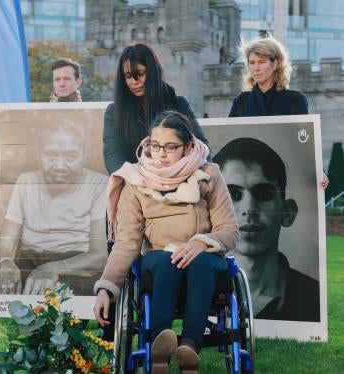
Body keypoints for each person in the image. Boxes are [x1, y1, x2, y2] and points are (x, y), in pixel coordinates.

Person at [94, 111, 238, 374]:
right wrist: (106, 287)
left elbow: (229, 230)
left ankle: (189, 348)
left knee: (202, 261)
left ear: (189, 147)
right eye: (155, 146)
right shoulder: (135, 182)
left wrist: (202, 242)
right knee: (166, 260)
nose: (161, 153)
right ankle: (161, 342)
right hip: (160, 258)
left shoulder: (209, 175)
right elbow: (126, 243)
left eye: (171, 147)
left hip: (204, 258)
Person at [0, 117, 108, 296]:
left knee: (56, 295)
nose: (60, 166)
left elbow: (100, 255)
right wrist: (6, 263)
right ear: (39, 154)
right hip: (29, 260)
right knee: (5, 286)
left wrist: (52, 268)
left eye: (71, 156)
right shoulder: (26, 181)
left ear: (85, 155)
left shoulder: (99, 185)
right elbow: (5, 243)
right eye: (50, 155)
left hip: (76, 262)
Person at [213, 137, 320, 322]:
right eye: (233, 195)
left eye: (263, 194)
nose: (249, 209)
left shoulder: (313, 298)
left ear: (287, 213)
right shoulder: (198, 291)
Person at [228, 34, 329, 189]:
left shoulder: (295, 100)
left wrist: (318, 172)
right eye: (252, 63)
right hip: (248, 178)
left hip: (287, 177)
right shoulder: (241, 101)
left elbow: (305, 142)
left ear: (275, 64)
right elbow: (230, 140)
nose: (256, 67)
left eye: (261, 62)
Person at [103, 43, 209, 175]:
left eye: (140, 74)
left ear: (153, 72)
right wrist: (133, 180)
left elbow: (200, 146)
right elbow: (113, 155)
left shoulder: (179, 104)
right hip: (136, 183)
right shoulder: (114, 112)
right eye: (128, 76)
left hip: (179, 178)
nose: (134, 82)